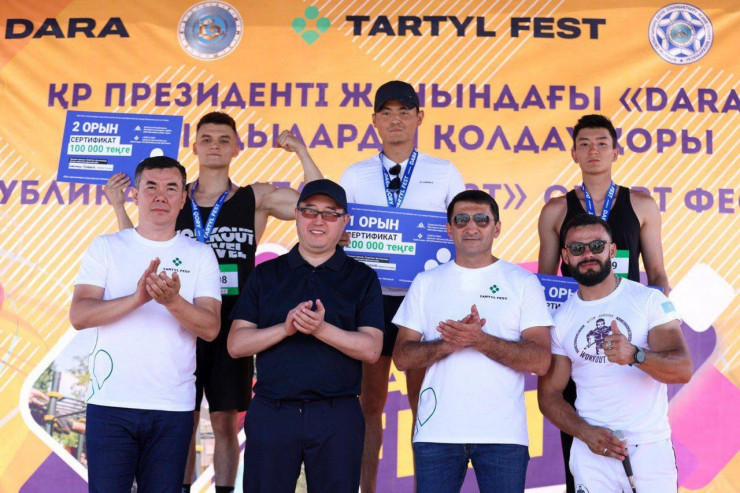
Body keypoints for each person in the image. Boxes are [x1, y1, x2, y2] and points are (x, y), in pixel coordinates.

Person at [104, 112, 322, 493]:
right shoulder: (173, 195)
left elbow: (319, 205)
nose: (215, 146)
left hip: (233, 323)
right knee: (181, 419)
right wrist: (120, 208)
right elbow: (140, 248)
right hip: (178, 320)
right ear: (194, 147)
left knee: (224, 421)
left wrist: (302, 152)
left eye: (224, 139)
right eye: (206, 139)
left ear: (237, 147)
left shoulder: (255, 198)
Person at [339, 80, 466, 492]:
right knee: (368, 404)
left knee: (422, 404)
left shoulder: (444, 171)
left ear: (419, 118)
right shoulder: (354, 174)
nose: (396, 120)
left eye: (404, 112)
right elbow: (339, 231)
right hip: (369, 301)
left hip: (425, 302)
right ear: (374, 121)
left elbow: (464, 229)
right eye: (387, 112)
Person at [69, 156, 222, 493]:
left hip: (172, 407)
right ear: (135, 195)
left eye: (171, 188)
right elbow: (79, 315)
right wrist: (137, 298)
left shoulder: (200, 255)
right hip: (111, 404)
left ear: (183, 199)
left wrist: (173, 301)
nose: (160, 196)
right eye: (151, 187)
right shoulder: (106, 246)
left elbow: (211, 328)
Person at [536, 113, 670, 492]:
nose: (593, 150)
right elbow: (544, 283)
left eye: (601, 143)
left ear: (616, 151)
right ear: (574, 153)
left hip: (630, 336)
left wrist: (657, 324)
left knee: (642, 431)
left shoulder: (641, 204)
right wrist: (556, 336)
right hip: (578, 338)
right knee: (578, 426)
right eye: (584, 144)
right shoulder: (555, 210)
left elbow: (658, 274)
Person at [227, 179, 384, 493]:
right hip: (273, 410)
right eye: (310, 211)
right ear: (297, 215)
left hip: (337, 415)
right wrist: (285, 329)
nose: (318, 220)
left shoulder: (362, 277)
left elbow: (371, 349)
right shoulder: (266, 273)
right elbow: (236, 344)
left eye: (330, 213)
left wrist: (321, 329)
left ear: (344, 221)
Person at [392, 190, 553, 493]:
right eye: (462, 220)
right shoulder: (426, 282)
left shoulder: (523, 282)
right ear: (449, 229)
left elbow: (541, 360)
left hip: (503, 434)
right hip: (437, 432)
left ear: (497, 227)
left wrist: (480, 340)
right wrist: (447, 344)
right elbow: (401, 357)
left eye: (481, 219)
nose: (471, 227)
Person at [538, 213, 692, 492]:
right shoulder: (560, 319)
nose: (588, 254)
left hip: (649, 448)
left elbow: (682, 369)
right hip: (592, 451)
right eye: (577, 248)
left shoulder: (648, 300)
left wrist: (636, 355)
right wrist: (585, 432)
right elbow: (548, 395)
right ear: (565, 256)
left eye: (597, 246)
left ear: (612, 251)